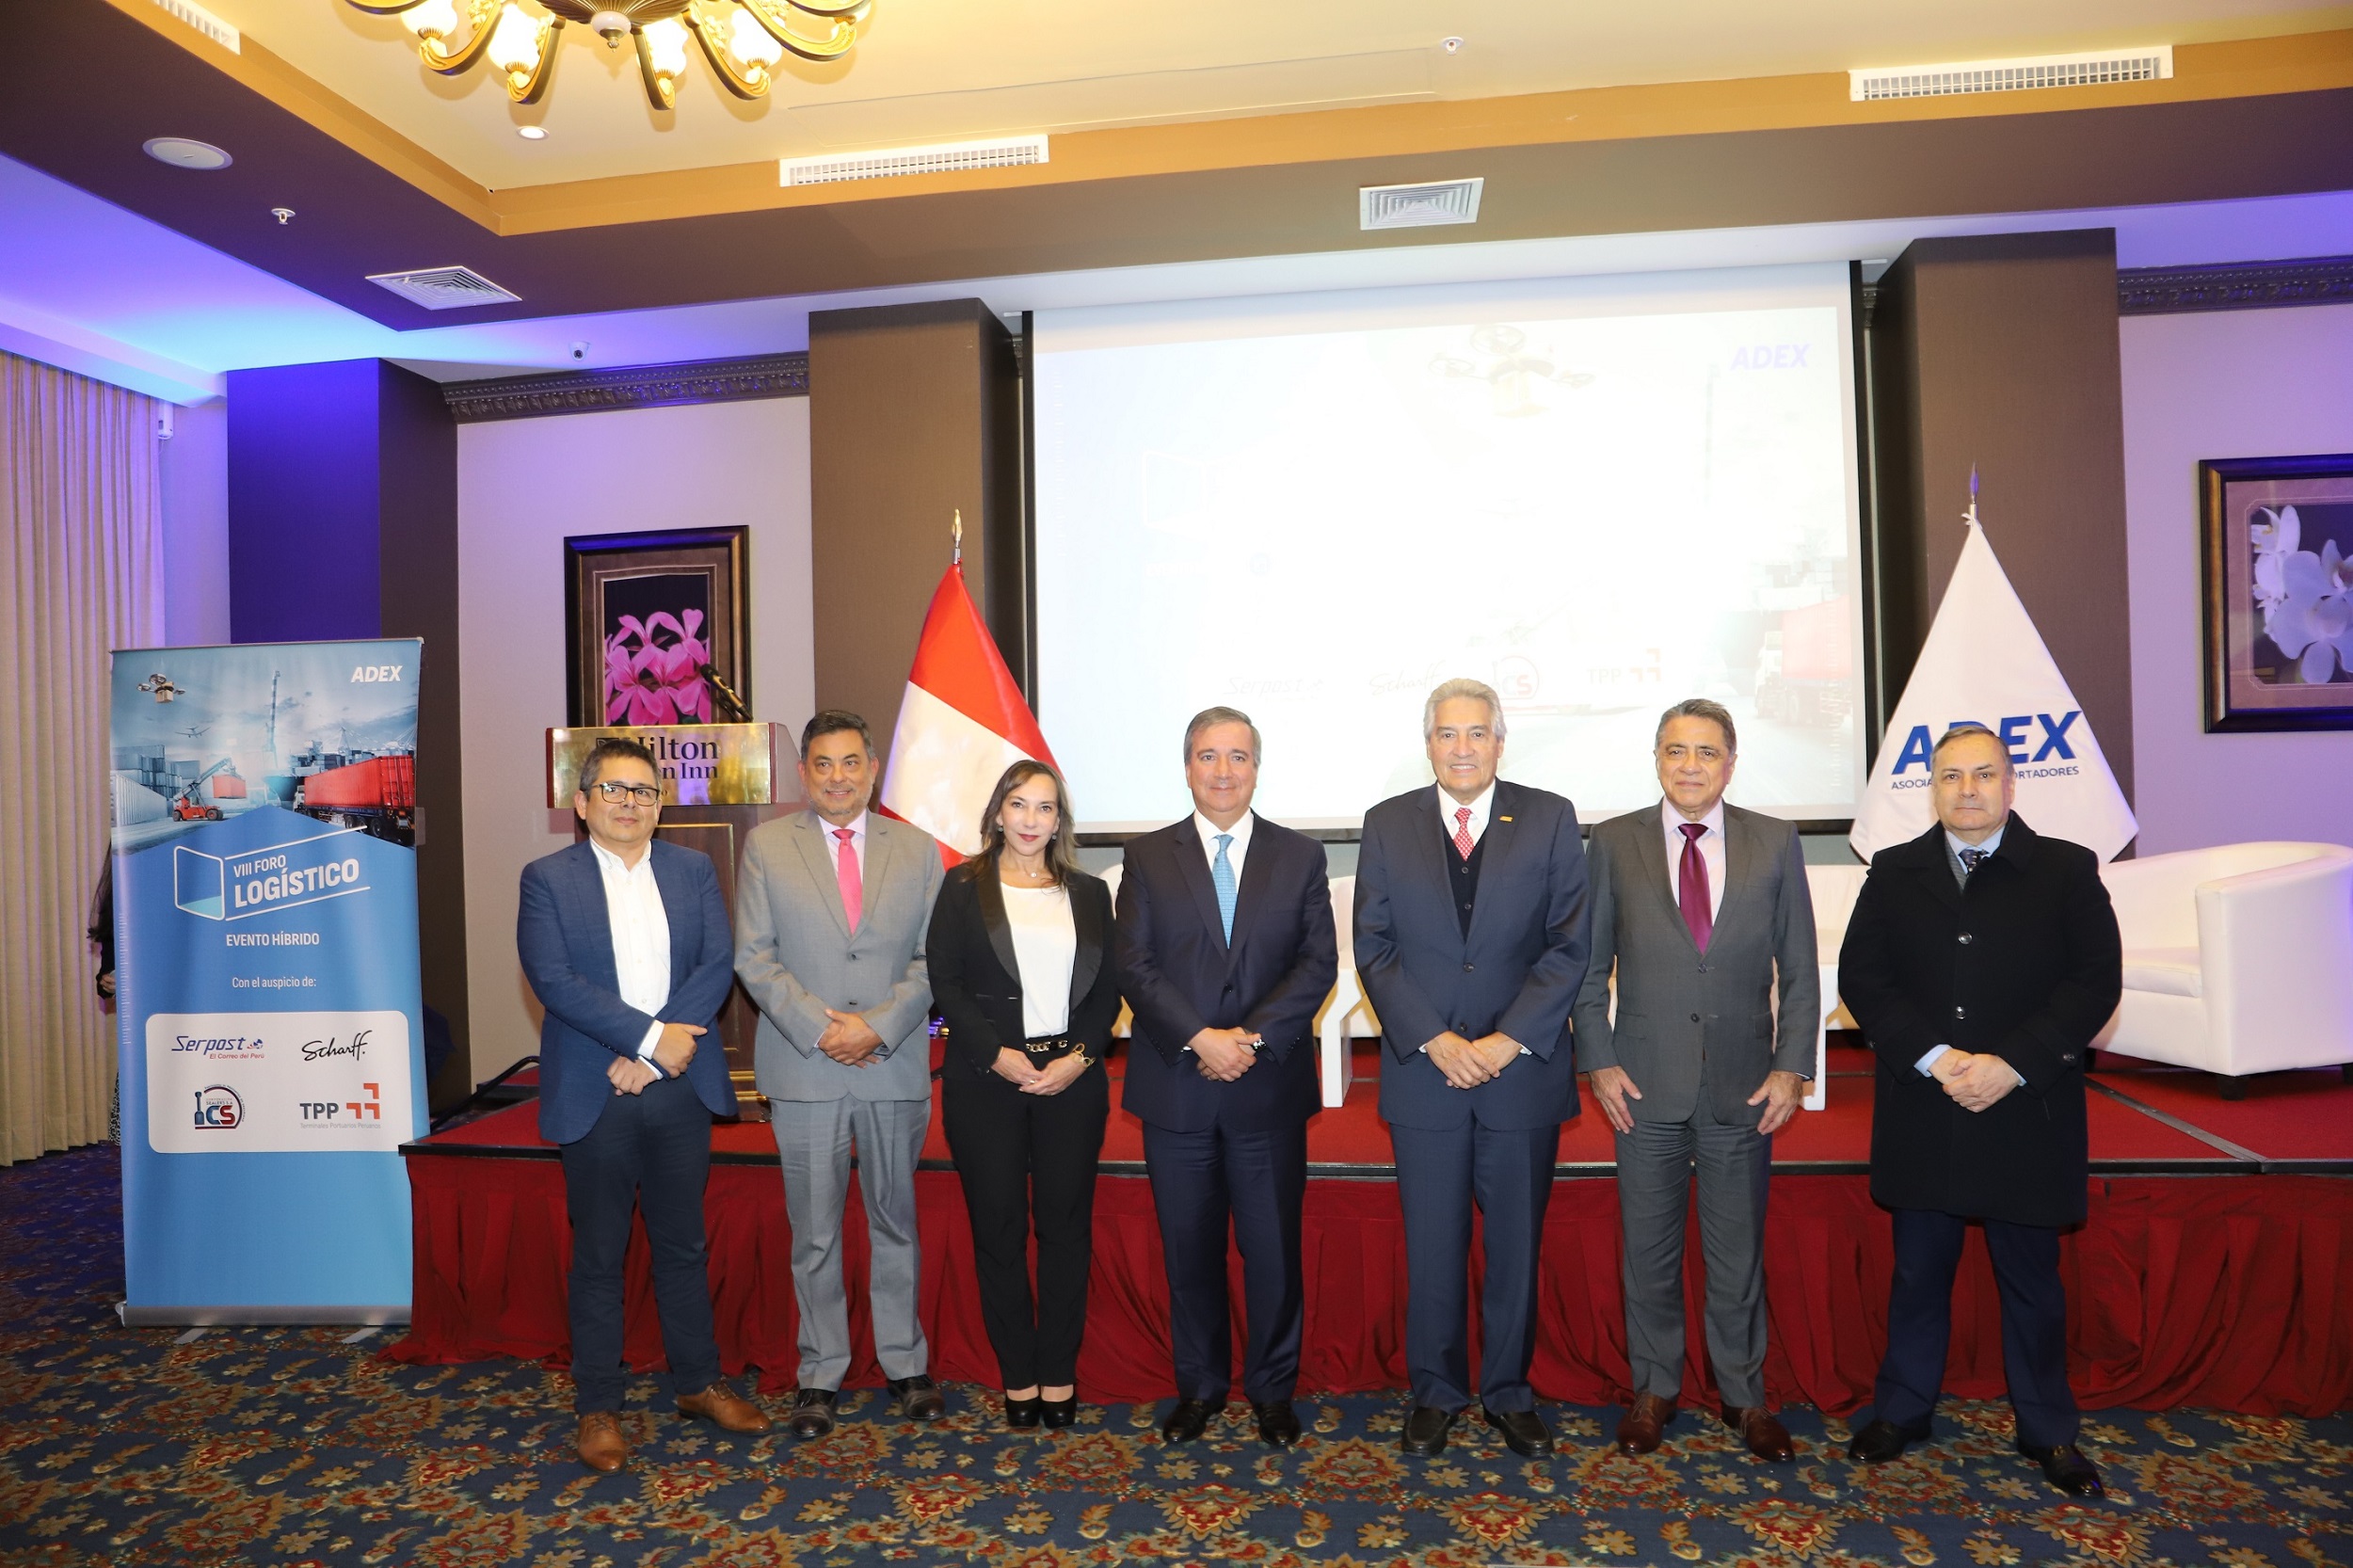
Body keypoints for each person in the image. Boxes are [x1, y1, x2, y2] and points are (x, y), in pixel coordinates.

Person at [1838, 723, 2121, 1496]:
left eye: (1984, 774)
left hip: (2026, 1110)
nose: (1967, 790)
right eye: (1951, 776)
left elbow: (2095, 981)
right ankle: (1902, 1410)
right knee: (1918, 1275)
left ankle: (2048, 1430)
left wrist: (2012, 1064)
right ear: (1931, 786)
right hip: (1925, 1105)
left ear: (2011, 783)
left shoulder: (2066, 869)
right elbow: (1864, 978)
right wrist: (1935, 1058)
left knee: (2032, 1284)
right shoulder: (1894, 871)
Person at [1571, 698, 1817, 1462]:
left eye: (1707, 752)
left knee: (1736, 1256)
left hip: (1745, 1087)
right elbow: (1588, 968)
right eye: (1675, 750)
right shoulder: (1614, 842)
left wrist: (1792, 1066)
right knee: (1647, 1253)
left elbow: (1800, 967)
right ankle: (1654, 1390)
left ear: (1730, 764)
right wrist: (1598, 1059)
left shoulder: (1775, 841)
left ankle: (1744, 1397)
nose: (1690, 766)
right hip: (1642, 1086)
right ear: (1656, 759)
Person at [516, 736, 770, 1472]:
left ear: (661, 804)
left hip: (678, 1091)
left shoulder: (692, 869)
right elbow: (554, 980)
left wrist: (657, 1059)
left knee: (683, 1245)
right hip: (595, 1091)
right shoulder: (547, 879)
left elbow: (714, 965)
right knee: (599, 1255)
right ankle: (598, 1406)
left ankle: (698, 1382)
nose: (630, 803)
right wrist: (650, 1041)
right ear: (582, 801)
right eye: (615, 790)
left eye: (645, 791)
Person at [1354, 678, 1591, 1459]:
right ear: (1428, 744)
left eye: (1477, 733)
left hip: (1519, 1076)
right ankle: (1437, 1392)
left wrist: (1506, 1040)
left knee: (1516, 1249)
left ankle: (1509, 1393)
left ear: (1500, 741)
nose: (1462, 748)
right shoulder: (1387, 824)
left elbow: (1570, 946)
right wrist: (1435, 1039)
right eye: (1448, 734)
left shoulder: (1550, 818)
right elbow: (1375, 948)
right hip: (1426, 1075)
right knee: (1432, 1248)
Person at [1115, 706, 1337, 1448]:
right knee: (1189, 1252)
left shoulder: (1300, 856)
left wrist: (1251, 1038)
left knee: (1272, 1253)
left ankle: (1273, 1390)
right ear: (1187, 767)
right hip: (1177, 1087)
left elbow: (1317, 963)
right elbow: (1134, 965)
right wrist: (1200, 1038)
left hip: (1266, 1086)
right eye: (1208, 756)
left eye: (1238, 756)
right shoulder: (1147, 857)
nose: (1222, 771)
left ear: (1256, 768)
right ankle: (1201, 1387)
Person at [736, 710, 948, 1439]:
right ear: (804, 773)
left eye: (851, 762)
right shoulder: (767, 846)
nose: (838, 777)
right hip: (805, 1067)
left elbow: (935, 959)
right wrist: (824, 1029)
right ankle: (820, 1372)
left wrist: (877, 1027)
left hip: (892, 1064)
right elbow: (754, 957)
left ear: (873, 768)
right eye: (823, 764)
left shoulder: (917, 850)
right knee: (815, 1233)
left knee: (895, 1222)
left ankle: (905, 1364)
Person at [929, 760, 1122, 1429]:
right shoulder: (962, 887)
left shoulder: (1090, 892)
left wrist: (1079, 1059)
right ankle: (1019, 1375)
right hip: (987, 1079)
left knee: (1066, 1229)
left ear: (1059, 819)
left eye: (1045, 807)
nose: (1031, 820)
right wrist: (996, 1054)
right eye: (1019, 804)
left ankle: (1059, 1374)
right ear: (997, 813)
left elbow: (1108, 991)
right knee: (1000, 1230)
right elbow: (946, 980)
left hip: (1071, 1078)